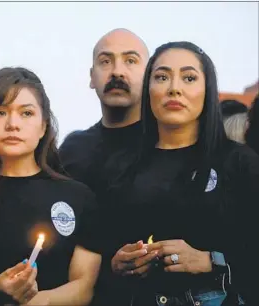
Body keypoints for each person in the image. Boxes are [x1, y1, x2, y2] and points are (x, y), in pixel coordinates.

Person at [97, 41, 259, 306]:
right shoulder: (118, 168)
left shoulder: (240, 164)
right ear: (148, 90)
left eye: (189, 77)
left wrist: (211, 261)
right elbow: (95, 259)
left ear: (208, 90)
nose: (174, 88)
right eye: (161, 77)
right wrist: (117, 264)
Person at [0, 67, 102, 306]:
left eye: (26, 113)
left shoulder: (78, 198)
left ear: (43, 126)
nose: (13, 124)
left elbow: (84, 288)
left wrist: (35, 301)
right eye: (0, 112)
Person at [58, 28, 149, 303]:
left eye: (131, 61)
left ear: (150, 76)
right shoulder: (72, 149)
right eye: (105, 61)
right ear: (91, 77)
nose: (117, 72)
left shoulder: (167, 145)